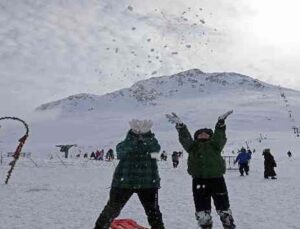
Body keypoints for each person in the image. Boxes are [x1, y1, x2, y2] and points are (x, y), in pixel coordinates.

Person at [166, 111, 236, 229]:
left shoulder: (215, 146)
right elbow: (185, 139)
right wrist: (181, 127)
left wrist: (220, 124)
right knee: (202, 208)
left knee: (223, 206)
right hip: (199, 180)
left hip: (217, 179)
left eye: (206, 133)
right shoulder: (192, 147)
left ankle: (228, 224)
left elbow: (220, 136)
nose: (203, 134)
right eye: (200, 133)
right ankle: (205, 225)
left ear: (210, 136)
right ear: (196, 137)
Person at [94, 119, 165, 229]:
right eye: (137, 133)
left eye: (143, 133)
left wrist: (147, 135)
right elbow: (120, 152)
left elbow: (155, 150)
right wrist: (133, 135)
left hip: (147, 183)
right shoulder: (125, 144)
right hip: (124, 182)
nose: (140, 136)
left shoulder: (152, 145)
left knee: (153, 213)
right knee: (112, 209)